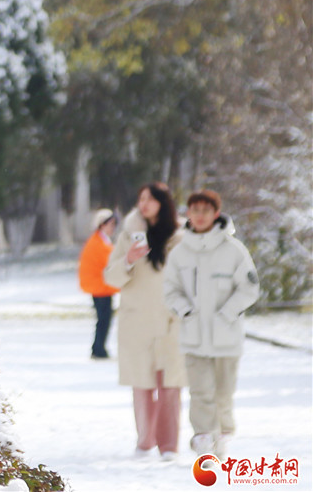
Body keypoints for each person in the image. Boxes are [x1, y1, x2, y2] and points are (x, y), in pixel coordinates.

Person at [163, 189, 259, 459]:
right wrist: (186, 312)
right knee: (200, 391)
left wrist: (227, 313)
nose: (200, 216)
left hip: (226, 337)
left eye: (206, 211)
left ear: (216, 214)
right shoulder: (180, 253)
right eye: (195, 210)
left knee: (224, 393)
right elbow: (170, 289)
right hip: (193, 336)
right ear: (188, 214)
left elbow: (249, 288)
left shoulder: (234, 250)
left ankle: (223, 435)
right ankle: (203, 438)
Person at [104, 182, 186, 460]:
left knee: (171, 384)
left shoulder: (183, 235)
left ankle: (169, 445)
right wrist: (128, 259)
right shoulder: (129, 236)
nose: (145, 204)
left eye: (151, 199)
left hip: (172, 319)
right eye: (141, 199)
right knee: (142, 385)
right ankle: (144, 441)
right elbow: (110, 278)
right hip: (137, 320)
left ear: (164, 203)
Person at [79, 209, 119, 359]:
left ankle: (98, 347)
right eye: (110, 224)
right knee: (104, 318)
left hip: (101, 286)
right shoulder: (98, 243)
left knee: (103, 318)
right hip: (100, 287)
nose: (112, 228)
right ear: (102, 225)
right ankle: (98, 349)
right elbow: (110, 260)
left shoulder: (100, 241)